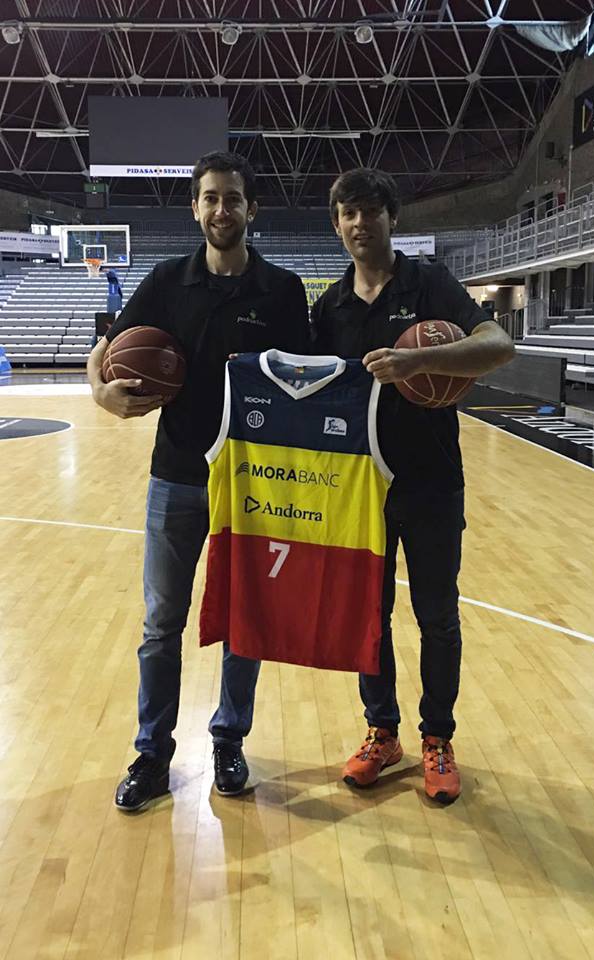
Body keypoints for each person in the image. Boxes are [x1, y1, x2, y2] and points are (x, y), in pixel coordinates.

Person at [87, 151, 309, 812]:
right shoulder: (165, 281)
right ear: (195, 207)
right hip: (177, 476)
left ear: (251, 208)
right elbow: (108, 347)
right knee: (162, 623)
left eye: (232, 198)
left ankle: (228, 740)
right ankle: (152, 753)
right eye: (210, 197)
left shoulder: (282, 290)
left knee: (246, 620)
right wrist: (100, 392)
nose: (221, 209)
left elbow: (308, 382)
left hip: (252, 481)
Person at [311, 168, 514, 804]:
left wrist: (418, 361)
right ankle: (382, 732)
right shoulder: (330, 307)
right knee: (368, 618)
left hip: (431, 482)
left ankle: (438, 738)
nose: (360, 223)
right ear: (337, 224)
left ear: (392, 218)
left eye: (371, 210)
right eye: (348, 213)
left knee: (437, 617)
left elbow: (499, 343)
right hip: (361, 489)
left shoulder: (429, 283)